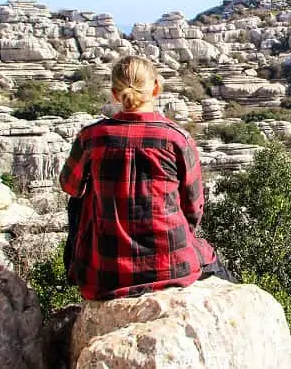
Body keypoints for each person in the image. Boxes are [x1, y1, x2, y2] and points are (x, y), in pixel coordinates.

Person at [60, 55, 216, 300]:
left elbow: (70, 186)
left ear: (114, 93)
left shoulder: (92, 137)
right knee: (218, 265)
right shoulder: (177, 139)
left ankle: (78, 268)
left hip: (106, 271)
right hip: (171, 264)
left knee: (80, 196)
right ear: (155, 88)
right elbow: (194, 206)